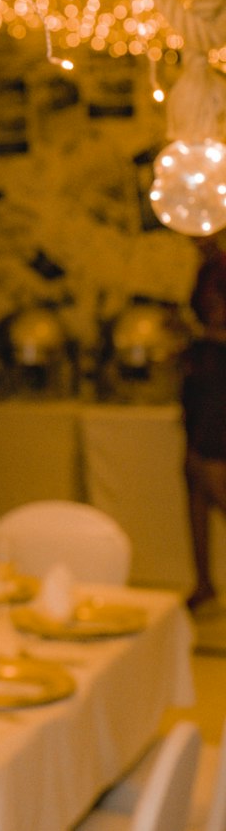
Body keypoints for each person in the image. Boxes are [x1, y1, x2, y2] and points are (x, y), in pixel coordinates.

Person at [182, 230, 226, 613]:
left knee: (213, 477)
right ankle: (203, 581)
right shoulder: (211, 266)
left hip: (220, 382)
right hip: (205, 379)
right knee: (194, 476)